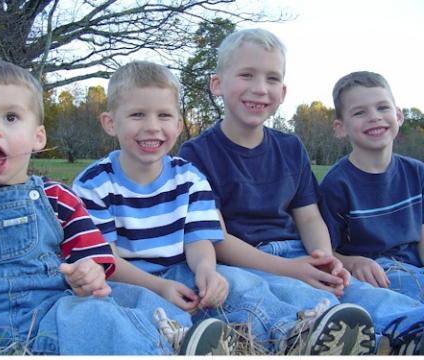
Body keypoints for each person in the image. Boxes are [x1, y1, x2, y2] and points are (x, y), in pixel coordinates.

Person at [72, 59, 377, 355]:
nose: (152, 127)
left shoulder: (188, 176)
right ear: (110, 123)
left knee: (240, 283)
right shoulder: (95, 184)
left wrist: (206, 270)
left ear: (179, 125)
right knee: (123, 305)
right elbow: (105, 257)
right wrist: (159, 287)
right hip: (128, 276)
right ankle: (180, 343)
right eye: (137, 115)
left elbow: (199, 238)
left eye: (164, 116)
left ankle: (294, 332)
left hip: (183, 269)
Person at [0, 58, 233, 356]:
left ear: (38, 137)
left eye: (10, 118)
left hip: (49, 311)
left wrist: (90, 273)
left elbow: (94, 256)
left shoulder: (58, 198)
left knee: (95, 314)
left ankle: (165, 343)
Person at [178, 28, 424, 355]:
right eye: (247, 75)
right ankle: (305, 334)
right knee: (250, 290)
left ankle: (409, 326)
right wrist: (291, 270)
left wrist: (323, 258)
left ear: (283, 91)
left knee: (351, 288)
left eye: (271, 78)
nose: (259, 88)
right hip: (240, 259)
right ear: (217, 84)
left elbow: (308, 217)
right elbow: (217, 239)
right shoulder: (196, 154)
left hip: (294, 251)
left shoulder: (290, 147)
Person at [319, 71, 424, 303]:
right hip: (376, 276)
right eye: (359, 112)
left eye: (382, 108)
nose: (374, 117)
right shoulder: (337, 185)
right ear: (340, 127)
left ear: (398, 115)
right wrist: (354, 262)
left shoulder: (417, 173)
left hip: (415, 268)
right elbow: (324, 252)